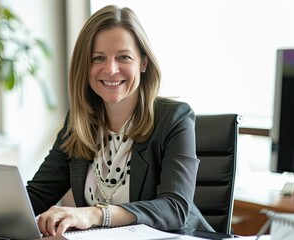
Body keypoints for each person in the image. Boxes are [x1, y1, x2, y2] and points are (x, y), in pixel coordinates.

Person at [26, 4, 213, 236]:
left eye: (123, 57)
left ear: (143, 62)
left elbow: (174, 210)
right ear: (85, 66)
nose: (111, 69)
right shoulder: (78, 123)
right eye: (98, 58)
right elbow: (36, 196)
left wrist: (95, 214)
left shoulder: (175, 119)